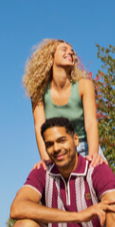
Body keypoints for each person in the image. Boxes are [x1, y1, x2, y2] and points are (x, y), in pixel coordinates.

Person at [23, 39, 103, 168]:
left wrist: (93, 155)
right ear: (51, 57)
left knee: (103, 179)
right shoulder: (39, 91)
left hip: (84, 146)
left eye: (72, 52)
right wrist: (47, 160)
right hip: (57, 150)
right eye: (64, 50)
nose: (70, 53)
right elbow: (39, 127)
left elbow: (91, 123)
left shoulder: (84, 85)